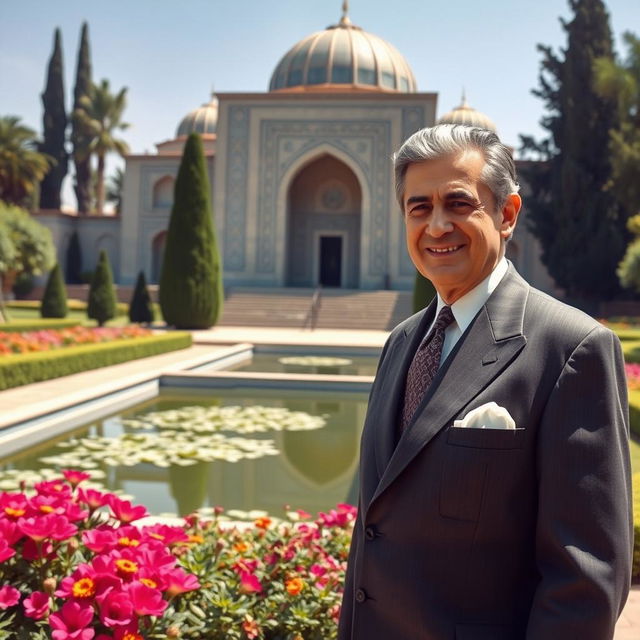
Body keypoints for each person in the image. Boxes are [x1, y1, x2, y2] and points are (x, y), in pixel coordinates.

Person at [338, 124, 633, 640]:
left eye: (458, 203)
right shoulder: (402, 343)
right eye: (419, 207)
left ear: (507, 214)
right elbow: (374, 533)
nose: (436, 226)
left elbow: (583, 582)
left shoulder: (570, 348)